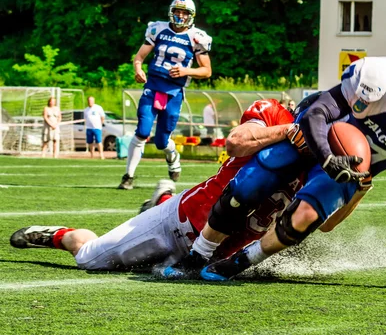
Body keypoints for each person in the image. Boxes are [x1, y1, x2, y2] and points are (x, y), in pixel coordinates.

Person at [192, 52, 386, 292]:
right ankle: (197, 254)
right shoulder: (378, 79)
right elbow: (316, 114)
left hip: (349, 171)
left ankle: (240, 262)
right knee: (251, 183)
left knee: (305, 218)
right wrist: (326, 157)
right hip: (314, 141)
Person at [9, 99, 305, 272]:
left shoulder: (323, 168)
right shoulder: (276, 116)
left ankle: (163, 196)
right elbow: (236, 142)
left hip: (216, 257)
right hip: (178, 223)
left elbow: (324, 222)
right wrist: (289, 131)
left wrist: (352, 182)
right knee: (90, 259)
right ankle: (59, 235)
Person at [119, 0, 212, 190]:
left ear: (191, 15)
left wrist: (187, 71)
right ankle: (128, 176)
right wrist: (138, 69)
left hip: (174, 92)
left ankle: (173, 157)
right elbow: (139, 57)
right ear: (171, 11)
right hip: (152, 86)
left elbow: (207, 71)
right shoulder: (158, 29)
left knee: (162, 141)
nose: (180, 15)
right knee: (143, 131)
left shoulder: (197, 37)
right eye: (177, 11)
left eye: (184, 12)